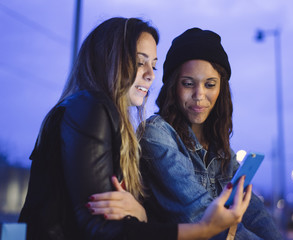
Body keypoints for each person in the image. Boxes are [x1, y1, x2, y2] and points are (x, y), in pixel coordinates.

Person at [18, 18, 252, 240]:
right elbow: (100, 229)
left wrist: (140, 215)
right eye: (140, 63)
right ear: (108, 59)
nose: (150, 75)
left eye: (153, 65)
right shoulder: (91, 108)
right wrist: (203, 229)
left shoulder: (100, 115)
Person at [137, 28, 283, 239]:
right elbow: (204, 218)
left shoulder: (223, 152)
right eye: (188, 83)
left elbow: (255, 214)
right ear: (172, 86)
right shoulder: (156, 135)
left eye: (210, 84)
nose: (199, 95)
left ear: (221, 89)